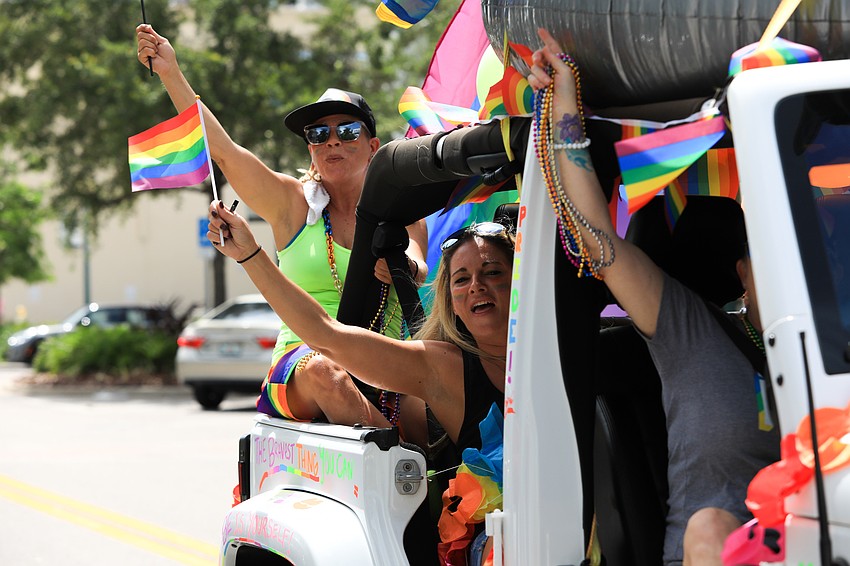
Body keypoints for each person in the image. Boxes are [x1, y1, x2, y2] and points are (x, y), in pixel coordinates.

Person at [527, 29, 780, 566]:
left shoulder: (832, 349)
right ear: (741, 271)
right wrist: (568, 111)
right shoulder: (693, 329)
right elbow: (598, 239)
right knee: (713, 526)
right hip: (709, 551)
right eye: (770, 253)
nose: (788, 266)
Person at [136, 25, 429, 431]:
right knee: (330, 374)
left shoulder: (402, 211)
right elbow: (222, 151)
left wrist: (407, 267)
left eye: (346, 131)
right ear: (309, 146)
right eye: (317, 134)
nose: (332, 142)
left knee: (437, 417)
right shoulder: (293, 204)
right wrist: (171, 72)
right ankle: (396, 468)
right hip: (304, 364)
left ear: (373, 146)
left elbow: (417, 260)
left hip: (384, 358)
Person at [207, 200, 511, 565]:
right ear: (453, 303)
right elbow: (327, 336)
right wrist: (250, 254)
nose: (476, 286)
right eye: (462, 279)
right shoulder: (443, 366)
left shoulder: (570, 346)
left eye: (491, 272)